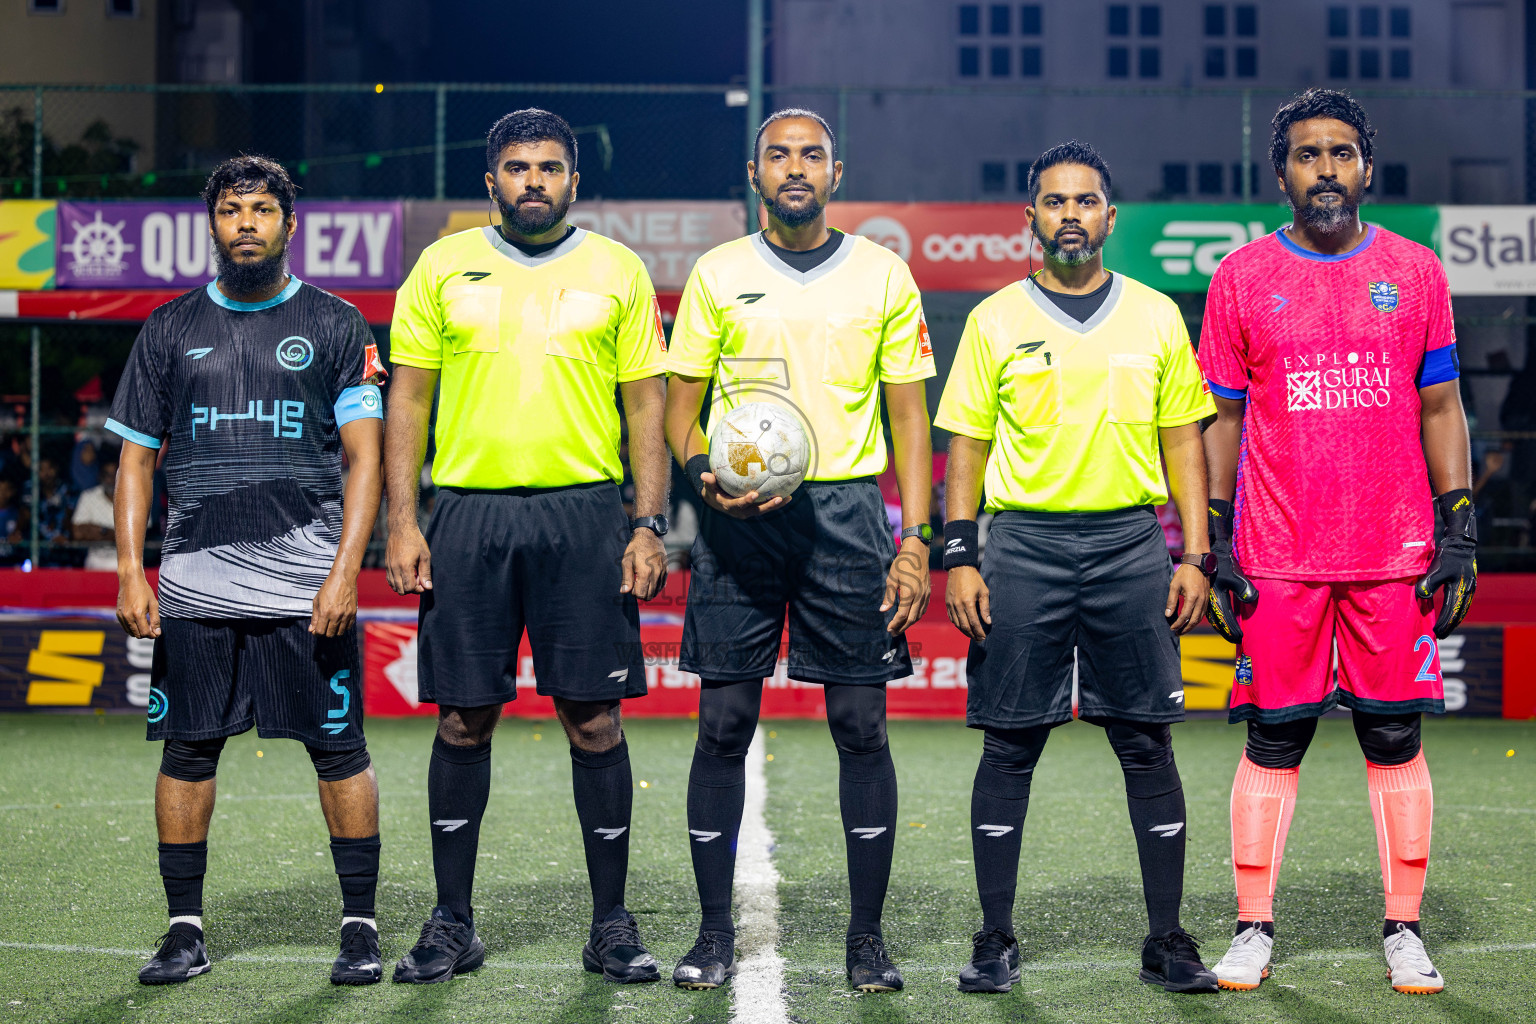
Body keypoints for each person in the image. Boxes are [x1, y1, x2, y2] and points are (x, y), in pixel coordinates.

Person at [385, 108, 671, 985]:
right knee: (464, 718)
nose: (534, 181)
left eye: (550, 167)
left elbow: (647, 406)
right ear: (491, 182)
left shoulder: (617, 270)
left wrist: (647, 522)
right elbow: (408, 400)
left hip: (585, 517)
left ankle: (611, 925)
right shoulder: (441, 266)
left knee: (594, 718)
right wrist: (404, 518)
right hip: (467, 517)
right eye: (517, 168)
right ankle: (451, 922)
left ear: (574, 181)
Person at [1198, 89, 1474, 995]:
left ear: (1366, 166)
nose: (1327, 169)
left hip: (1393, 554)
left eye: (1342, 153)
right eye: (1308, 154)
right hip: (1278, 555)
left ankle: (1404, 927)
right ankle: (1251, 928)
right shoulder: (1241, 278)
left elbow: (1440, 405)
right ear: (1281, 172)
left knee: (1394, 737)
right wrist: (1213, 536)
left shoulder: (1416, 270)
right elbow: (1222, 419)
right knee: (1273, 740)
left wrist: (1459, 522)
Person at [937, 140, 1218, 996]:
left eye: (1085, 201)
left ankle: (1166, 938)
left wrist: (1197, 554)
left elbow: (1183, 440)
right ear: (1030, 219)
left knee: (1145, 740)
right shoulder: (994, 320)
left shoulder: (1157, 314)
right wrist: (960, 553)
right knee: (1011, 743)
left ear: (1109, 217)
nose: (1070, 215)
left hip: (1132, 545)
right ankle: (994, 937)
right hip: (1022, 545)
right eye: (1054, 202)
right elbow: (968, 446)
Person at [663, 108, 934, 994]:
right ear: (754, 171)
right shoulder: (718, 272)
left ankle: (866, 940)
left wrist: (917, 538)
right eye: (778, 154)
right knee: (723, 723)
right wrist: (703, 473)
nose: (794, 167)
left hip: (849, 512)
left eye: (810, 154)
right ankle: (711, 935)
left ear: (836, 171)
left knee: (861, 724)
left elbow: (908, 418)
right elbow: (679, 406)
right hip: (738, 513)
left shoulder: (884, 274)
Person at [109, 155, 388, 986]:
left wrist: (347, 572)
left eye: (262, 209)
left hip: (309, 590)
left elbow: (364, 461)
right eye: (232, 210)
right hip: (195, 587)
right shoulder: (167, 328)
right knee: (187, 752)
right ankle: (184, 931)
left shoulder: (338, 325)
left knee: (339, 751)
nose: (246, 224)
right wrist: (131, 570)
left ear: (288, 224)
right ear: (213, 223)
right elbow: (135, 462)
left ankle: (360, 927)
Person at [70, 445, 118, 570]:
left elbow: (143, 535)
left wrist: (94, 529)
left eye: (115, 475)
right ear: (100, 476)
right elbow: (77, 533)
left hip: (123, 560)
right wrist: (110, 533)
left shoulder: (133, 496)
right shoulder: (88, 496)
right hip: (95, 560)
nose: (111, 480)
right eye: (107, 475)